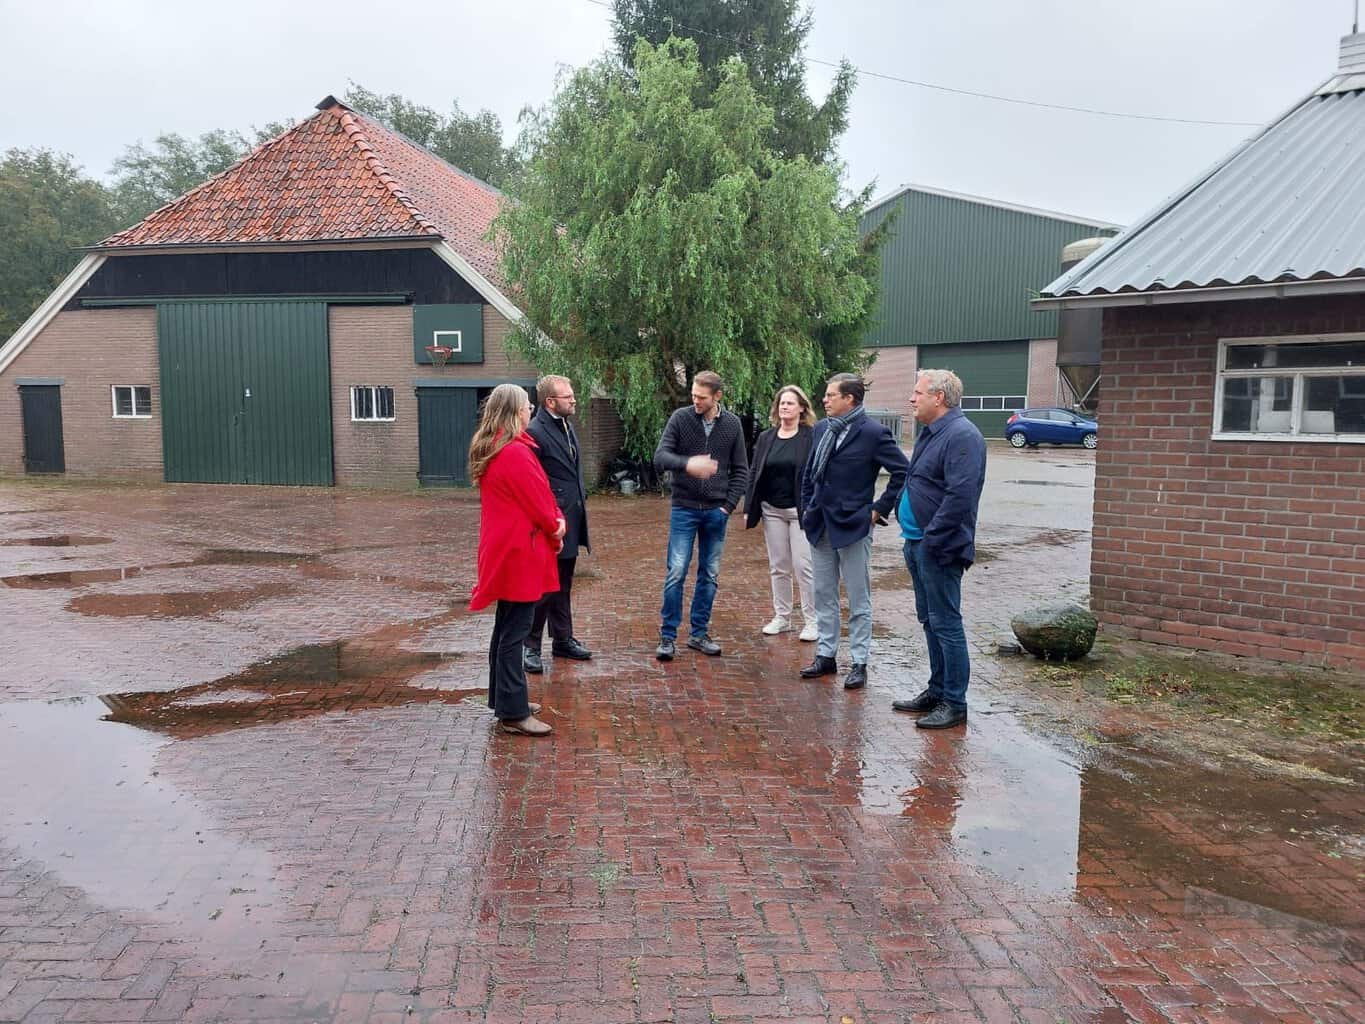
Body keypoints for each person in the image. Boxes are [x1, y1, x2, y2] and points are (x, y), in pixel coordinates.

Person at [468, 384, 566, 737]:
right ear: (515, 412)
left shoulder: (498, 447)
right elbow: (540, 503)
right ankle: (513, 712)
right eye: (527, 406)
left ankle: (505, 699)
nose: (531, 411)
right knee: (516, 631)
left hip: (506, 548)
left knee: (507, 625)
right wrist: (557, 524)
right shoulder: (514, 453)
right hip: (519, 552)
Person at [799, 373, 909, 691]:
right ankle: (826, 656)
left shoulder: (874, 433)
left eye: (831, 395)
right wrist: (807, 507)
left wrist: (878, 509)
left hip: (854, 525)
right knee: (824, 594)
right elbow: (809, 474)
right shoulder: (821, 429)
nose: (824, 399)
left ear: (850, 399)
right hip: (819, 523)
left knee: (858, 598)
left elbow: (902, 470)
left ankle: (859, 662)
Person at [891, 369, 987, 729]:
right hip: (916, 544)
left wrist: (932, 539)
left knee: (946, 623)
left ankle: (954, 702)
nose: (911, 399)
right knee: (929, 621)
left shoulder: (963, 436)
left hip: (939, 547)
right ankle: (936, 690)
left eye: (917, 393)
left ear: (939, 398)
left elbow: (960, 496)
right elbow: (916, 478)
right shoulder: (931, 433)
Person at [652, 370, 749, 661]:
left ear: (717, 397)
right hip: (684, 509)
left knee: (709, 574)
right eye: (693, 395)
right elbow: (660, 458)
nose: (695, 401)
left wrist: (728, 507)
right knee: (676, 572)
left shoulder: (732, 425)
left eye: (701, 397)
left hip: (716, 512)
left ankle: (698, 633)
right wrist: (687, 464)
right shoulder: (680, 419)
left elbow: (741, 469)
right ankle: (667, 636)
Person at [522, 374, 592, 675]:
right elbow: (534, 480)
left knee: (563, 582)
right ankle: (530, 645)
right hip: (552, 519)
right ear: (550, 401)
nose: (573, 400)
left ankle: (562, 639)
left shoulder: (565, 424)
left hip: (571, 516)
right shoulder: (536, 431)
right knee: (544, 586)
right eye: (567, 396)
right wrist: (550, 515)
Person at [744, 384, 818, 641]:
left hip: (799, 511)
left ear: (801, 408)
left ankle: (812, 620)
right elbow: (754, 472)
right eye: (781, 403)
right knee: (778, 566)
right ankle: (782, 617)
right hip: (771, 510)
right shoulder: (767, 437)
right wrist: (749, 507)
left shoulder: (811, 436)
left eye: (790, 403)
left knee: (804, 565)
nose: (784, 406)